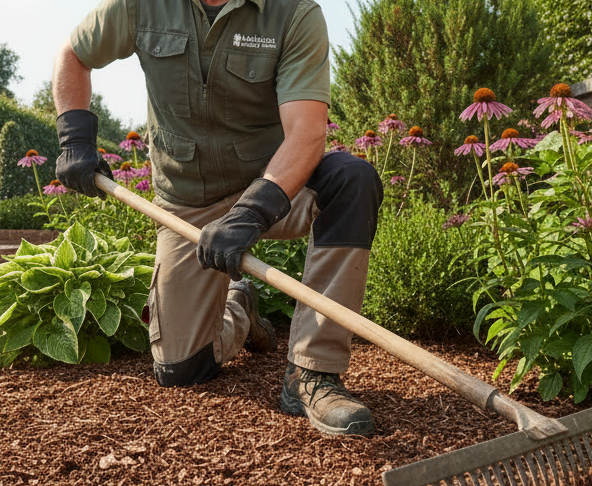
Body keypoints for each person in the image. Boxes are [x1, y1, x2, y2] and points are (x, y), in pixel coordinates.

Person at [52, 0, 383, 437]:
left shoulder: (293, 14)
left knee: (352, 180)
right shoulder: (139, 5)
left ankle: (313, 373)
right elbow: (73, 54)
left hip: (274, 186)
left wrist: (251, 211)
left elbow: (307, 132)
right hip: (187, 203)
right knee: (181, 368)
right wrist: (74, 138)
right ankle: (239, 307)